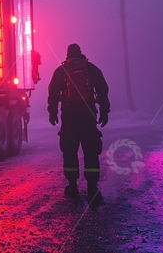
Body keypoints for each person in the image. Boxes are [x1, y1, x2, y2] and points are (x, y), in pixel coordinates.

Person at [47, 43, 110, 206]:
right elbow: (103, 91)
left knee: (69, 152)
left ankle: (73, 187)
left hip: (69, 118)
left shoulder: (61, 71)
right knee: (91, 152)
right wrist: (104, 112)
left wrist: (52, 112)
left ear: (67, 55)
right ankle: (92, 189)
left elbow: (53, 93)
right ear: (81, 53)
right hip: (88, 117)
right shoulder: (91, 69)